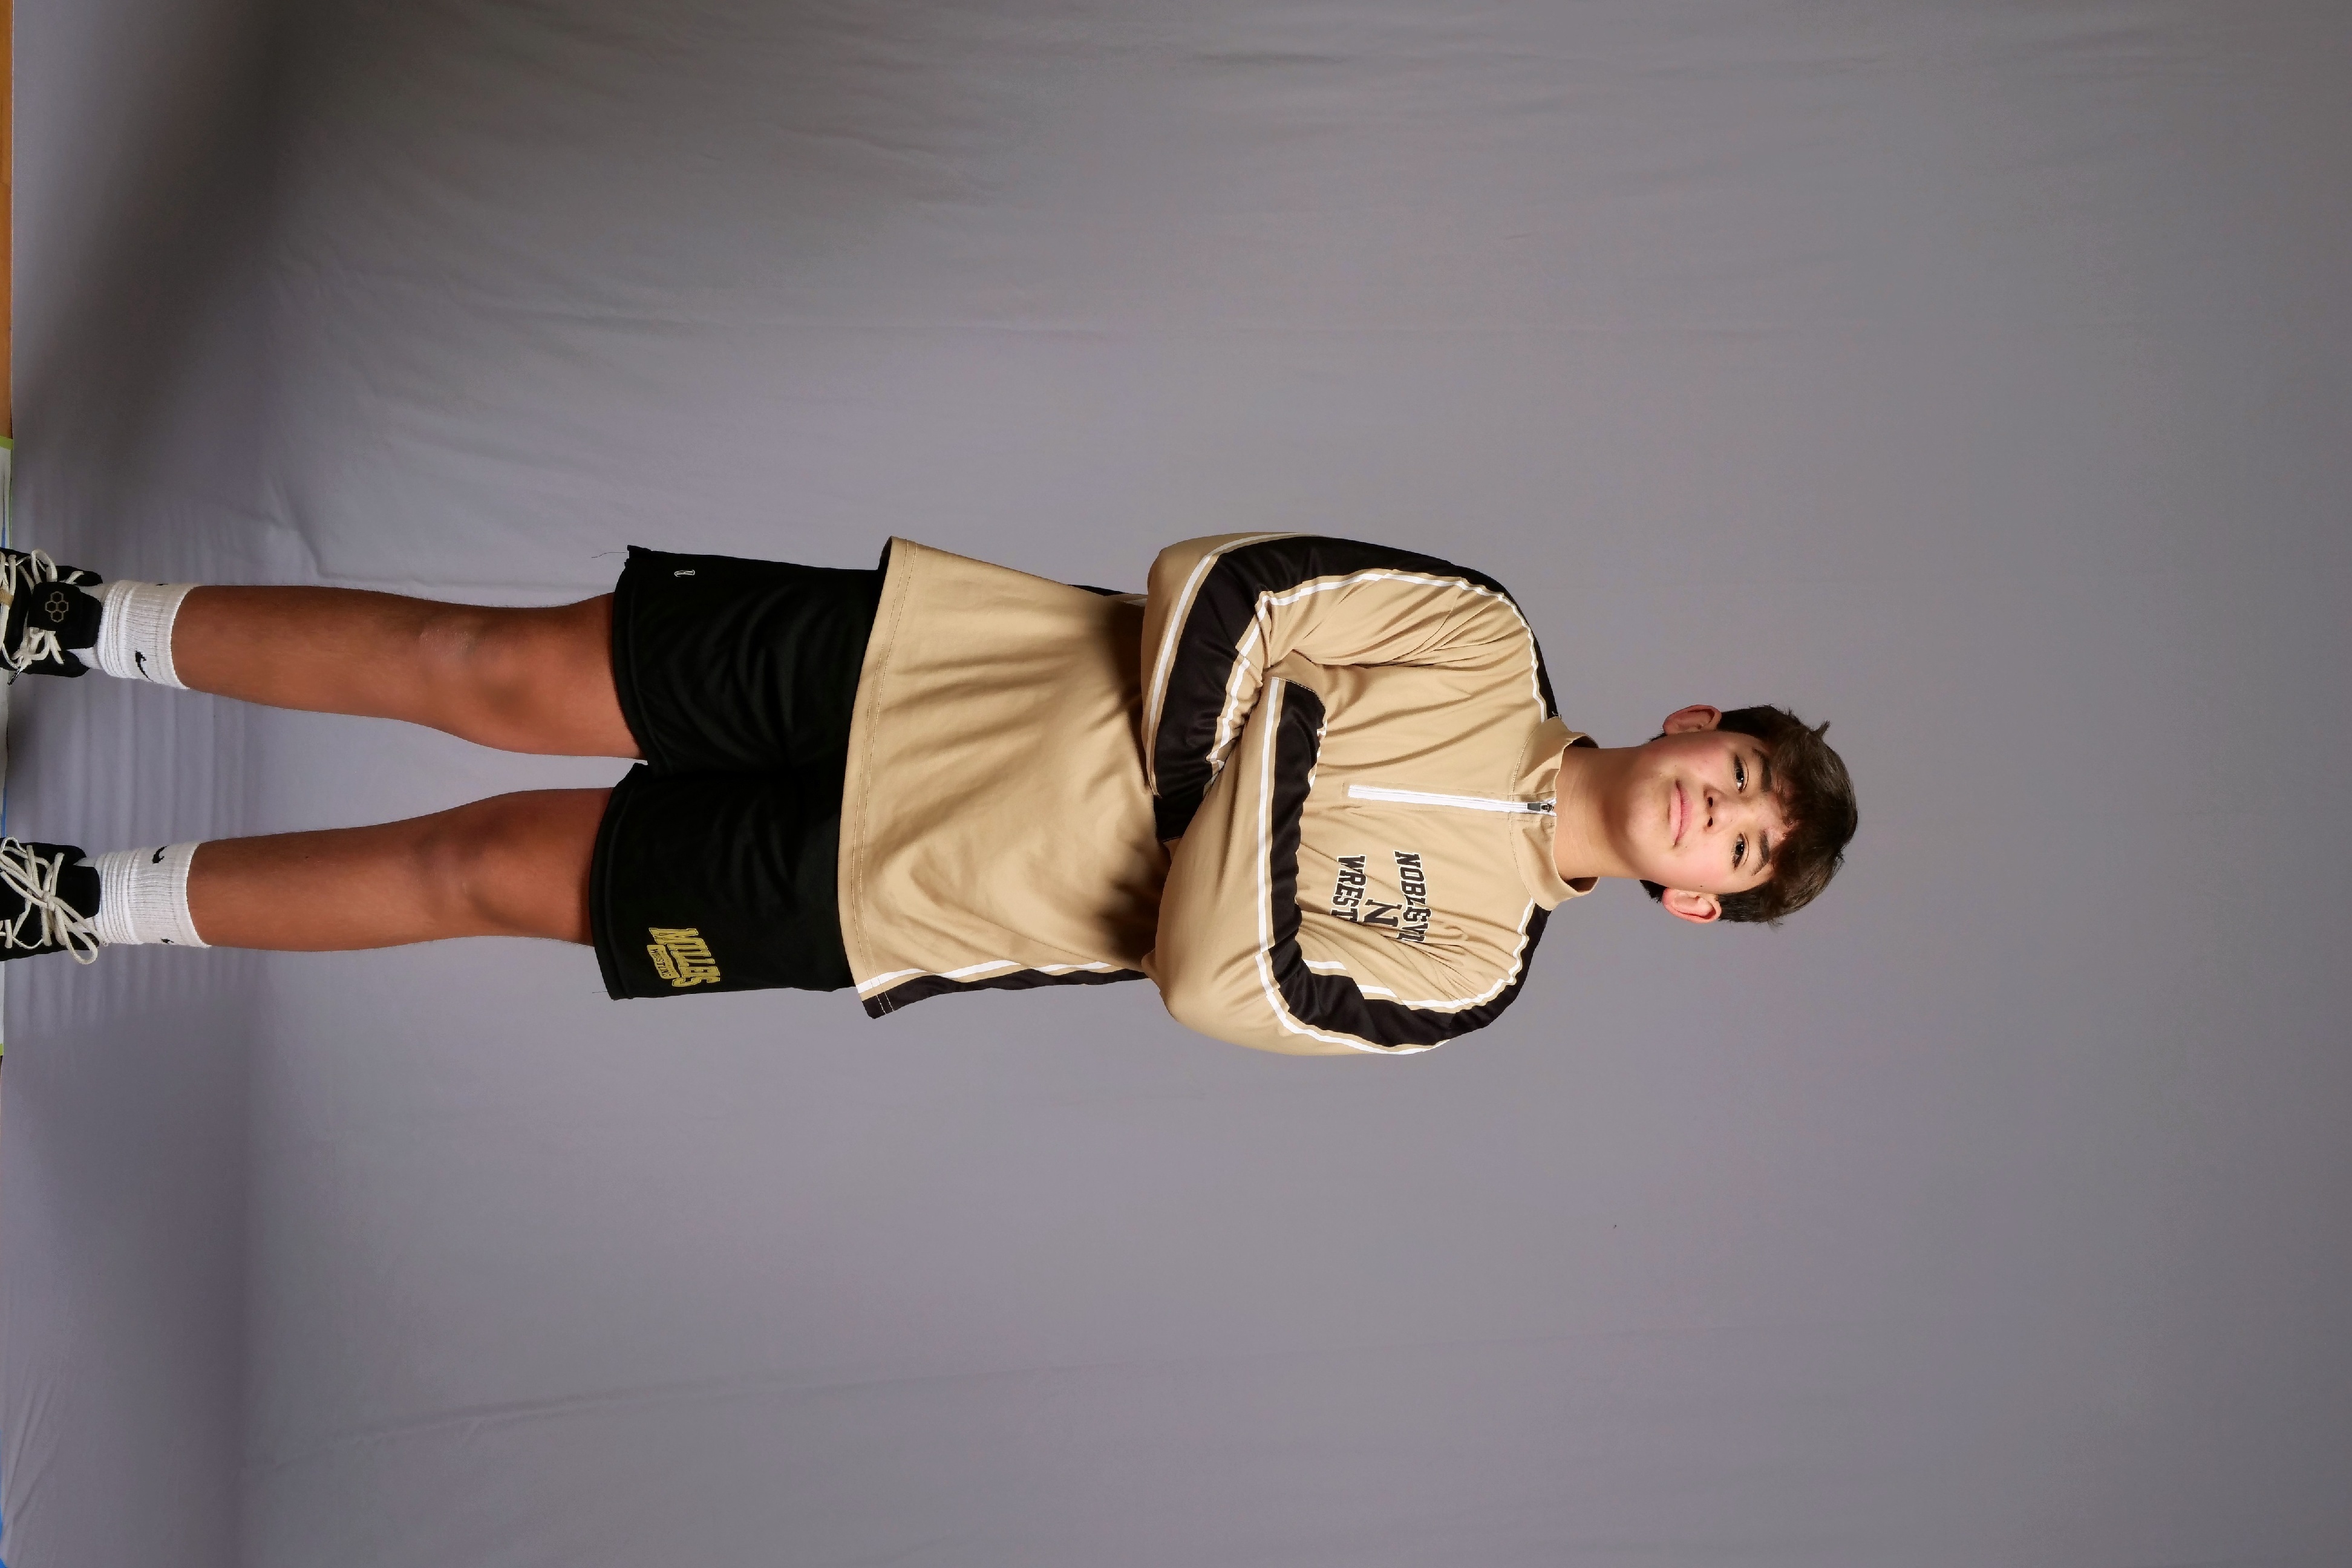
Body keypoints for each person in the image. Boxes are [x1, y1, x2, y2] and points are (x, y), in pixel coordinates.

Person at [0, 534, 1856, 1054]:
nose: (1724, 812)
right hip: (919, 661)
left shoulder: (1467, 972)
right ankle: (77, 617)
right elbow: (1221, 588)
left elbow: (1224, 984)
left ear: (1698, 901)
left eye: (1747, 845)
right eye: (1744, 774)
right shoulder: (1477, 638)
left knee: (479, 870)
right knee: (480, 664)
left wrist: (1272, 736)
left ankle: (76, 904)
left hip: (898, 890)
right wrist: (1239, 824)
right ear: (1696, 721)